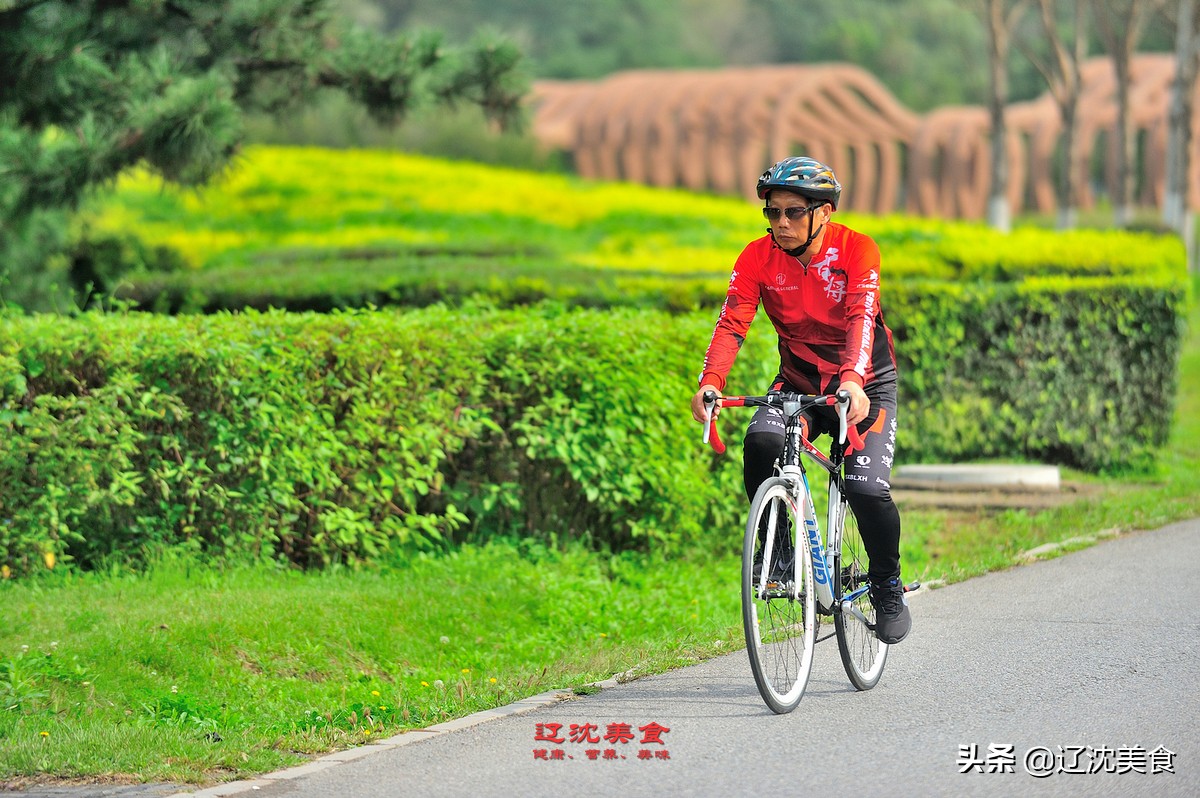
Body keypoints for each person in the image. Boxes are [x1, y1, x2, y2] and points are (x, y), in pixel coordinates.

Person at [689, 156, 910, 644]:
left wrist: (852, 380)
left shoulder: (857, 250)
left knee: (868, 490)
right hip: (799, 383)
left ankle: (887, 585)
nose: (781, 223)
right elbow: (732, 323)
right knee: (763, 441)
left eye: (793, 213)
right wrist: (711, 382)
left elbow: (861, 317)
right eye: (772, 212)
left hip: (865, 384)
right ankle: (782, 557)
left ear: (824, 212)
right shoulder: (755, 258)